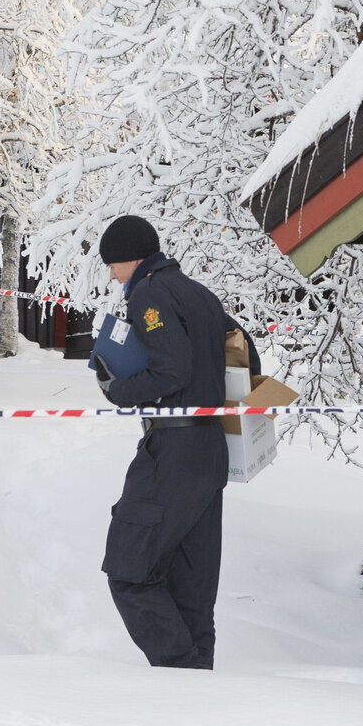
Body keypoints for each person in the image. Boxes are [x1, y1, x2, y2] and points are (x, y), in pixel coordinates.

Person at [93, 214, 245, 670]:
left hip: (174, 452)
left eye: (112, 265)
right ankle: (196, 687)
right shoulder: (199, 293)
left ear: (130, 258)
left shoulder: (149, 294)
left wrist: (117, 389)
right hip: (210, 451)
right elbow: (244, 351)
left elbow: (170, 371)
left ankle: (179, 672)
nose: (112, 275)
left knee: (129, 570)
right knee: (191, 585)